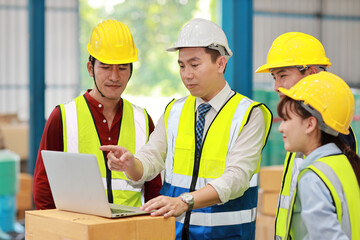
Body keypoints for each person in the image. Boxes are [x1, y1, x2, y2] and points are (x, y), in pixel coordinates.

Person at [100, 18, 272, 240]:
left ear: (220, 64)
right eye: (181, 65)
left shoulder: (250, 114)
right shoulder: (174, 110)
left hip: (227, 236)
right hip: (174, 234)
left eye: (194, 64)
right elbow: (151, 158)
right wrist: (131, 164)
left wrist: (185, 201)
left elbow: (236, 178)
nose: (186, 74)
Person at [33, 19, 162, 210]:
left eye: (122, 67)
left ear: (131, 71)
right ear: (90, 68)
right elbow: (43, 187)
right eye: (106, 67)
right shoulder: (62, 117)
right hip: (76, 232)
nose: (114, 77)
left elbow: (154, 187)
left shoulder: (142, 119)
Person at [255, 32, 358, 239]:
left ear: (311, 73)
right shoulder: (303, 138)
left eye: (283, 76)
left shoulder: (330, 139)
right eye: (274, 78)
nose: (276, 87)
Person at [276, 71, 360, 239]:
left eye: (286, 119)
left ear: (310, 124)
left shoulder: (313, 177)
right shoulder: (344, 162)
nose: (281, 128)